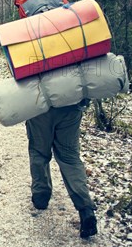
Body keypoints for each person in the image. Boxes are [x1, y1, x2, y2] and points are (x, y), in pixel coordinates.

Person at [26, 100, 97, 238]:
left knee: (39, 153)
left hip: (39, 108)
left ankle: (41, 195)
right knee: (70, 159)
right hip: (70, 107)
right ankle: (86, 209)